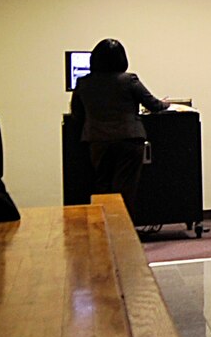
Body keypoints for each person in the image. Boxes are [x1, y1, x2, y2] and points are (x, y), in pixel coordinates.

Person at [69, 37, 171, 212]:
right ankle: (123, 230)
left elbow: (76, 115)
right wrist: (166, 104)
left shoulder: (83, 83)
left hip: (97, 141)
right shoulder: (129, 80)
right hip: (128, 140)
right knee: (125, 188)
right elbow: (153, 105)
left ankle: (104, 228)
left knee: (102, 186)